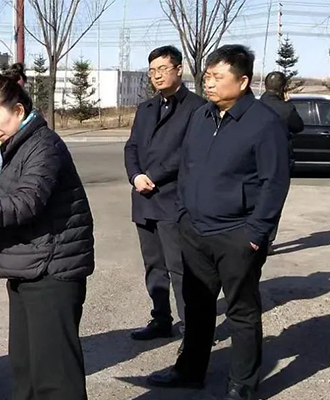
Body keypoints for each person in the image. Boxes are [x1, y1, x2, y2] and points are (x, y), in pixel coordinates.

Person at [0, 63, 95, 400]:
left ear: (19, 111)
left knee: (55, 376)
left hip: (52, 270)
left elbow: (26, 202)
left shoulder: (43, 145)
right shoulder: (12, 148)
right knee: (26, 368)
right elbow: (6, 205)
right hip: (27, 266)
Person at [147, 45, 290, 400]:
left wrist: (255, 234)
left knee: (241, 312)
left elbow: (274, 182)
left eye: (217, 77)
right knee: (197, 307)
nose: (208, 83)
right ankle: (189, 371)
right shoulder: (202, 116)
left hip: (236, 235)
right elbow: (187, 167)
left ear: (242, 82)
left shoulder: (263, 123)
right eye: (207, 76)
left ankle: (242, 384)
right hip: (195, 231)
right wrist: (183, 214)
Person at [124, 45, 206, 346]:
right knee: (153, 265)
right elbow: (131, 147)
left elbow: (190, 152)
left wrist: (154, 176)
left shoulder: (197, 108)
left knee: (179, 267)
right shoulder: (146, 108)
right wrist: (135, 175)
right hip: (143, 198)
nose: (157, 76)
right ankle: (161, 319)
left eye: (162, 69)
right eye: (152, 71)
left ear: (178, 69)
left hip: (174, 200)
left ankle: (192, 329)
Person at [259, 71, 304, 251]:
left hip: (255, 160)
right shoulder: (286, 109)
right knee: (274, 201)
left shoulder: (254, 105)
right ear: (283, 88)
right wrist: (288, 103)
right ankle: (267, 241)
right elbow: (298, 126)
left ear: (265, 86)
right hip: (280, 162)